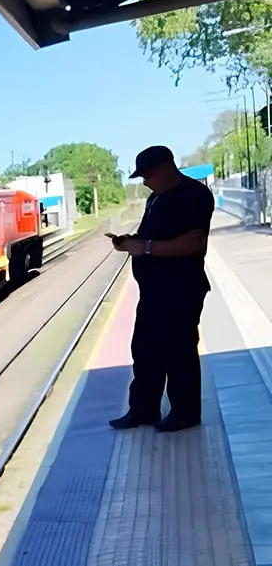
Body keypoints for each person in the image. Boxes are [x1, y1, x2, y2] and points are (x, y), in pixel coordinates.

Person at [108, 145, 214, 432]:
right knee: (145, 350)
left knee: (178, 351)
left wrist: (146, 248)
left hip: (181, 288)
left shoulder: (195, 195)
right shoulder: (155, 198)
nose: (144, 182)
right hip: (154, 291)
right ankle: (143, 410)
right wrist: (131, 241)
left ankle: (185, 413)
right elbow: (149, 237)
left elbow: (193, 243)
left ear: (167, 168)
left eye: (148, 175)